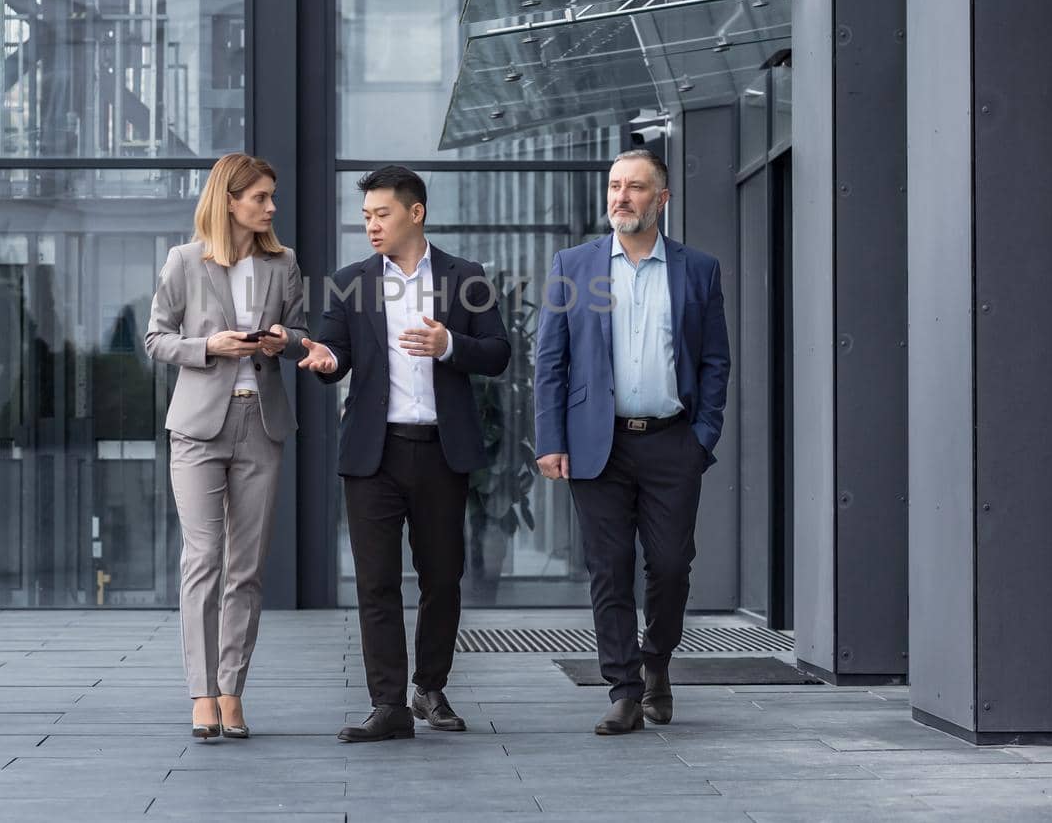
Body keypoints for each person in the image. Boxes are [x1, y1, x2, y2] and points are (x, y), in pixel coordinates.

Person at [299, 165, 511, 742]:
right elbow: (335, 353)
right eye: (366, 216)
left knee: (443, 578)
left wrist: (450, 344)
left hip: (441, 450)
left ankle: (430, 689)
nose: (370, 225)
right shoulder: (350, 282)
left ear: (415, 213)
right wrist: (326, 363)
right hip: (375, 453)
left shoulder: (467, 278)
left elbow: (497, 353)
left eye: (381, 214)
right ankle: (388, 704)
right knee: (376, 582)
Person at [533, 149, 731, 735]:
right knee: (609, 567)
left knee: (670, 566)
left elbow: (715, 361)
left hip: (673, 443)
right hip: (599, 445)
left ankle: (657, 665)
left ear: (661, 200)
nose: (621, 197)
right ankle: (623, 689)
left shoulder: (699, 270)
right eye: (615, 185)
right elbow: (551, 362)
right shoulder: (574, 266)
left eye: (636, 188)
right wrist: (550, 439)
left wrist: (703, 437)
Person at [144, 153, 308, 740]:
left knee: (246, 568)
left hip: (261, 426)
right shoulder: (185, 261)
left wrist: (285, 341)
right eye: (260, 197)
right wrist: (209, 345)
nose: (269, 207)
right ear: (230, 200)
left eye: (271, 196)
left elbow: (301, 334)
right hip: (197, 429)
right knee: (203, 560)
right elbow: (156, 337)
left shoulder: (283, 262)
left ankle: (232, 689)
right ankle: (201, 692)